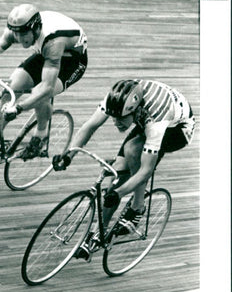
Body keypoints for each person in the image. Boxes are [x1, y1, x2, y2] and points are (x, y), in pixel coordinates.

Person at [52, 79, 195, 260]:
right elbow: (90, 126)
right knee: (117, 175)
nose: (115, 122)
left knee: (133, 150)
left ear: (135, 111)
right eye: (113, 117)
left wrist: (119, 194)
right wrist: (68, 156)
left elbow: (146, 170)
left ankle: (137, 208)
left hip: (177, 130)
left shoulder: (155, 118)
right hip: (148, 115)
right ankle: (98, 233)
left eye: (120, 119)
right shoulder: (116, 99)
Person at [0, 4, 88, 159]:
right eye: (16, 34)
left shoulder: (54, 42)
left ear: (35, 28)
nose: (20, 39)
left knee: (39, 93)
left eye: (24, 35)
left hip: (71, 62)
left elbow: (47, 87)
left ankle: (41, 136)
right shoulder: (16, 29)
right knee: (10, 90)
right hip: (45, 54)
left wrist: (19, 108)